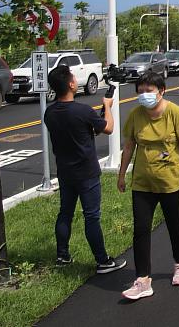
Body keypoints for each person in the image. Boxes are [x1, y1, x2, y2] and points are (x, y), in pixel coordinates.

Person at [117, 71, 179, 300]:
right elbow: (128, 147)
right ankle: (143, 280)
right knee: (141, 229)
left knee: (175, 225)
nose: (144, 95)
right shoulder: (135, 115)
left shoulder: (176, 113)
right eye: (140, 91)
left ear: (162, 91)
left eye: (149, 90)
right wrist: (122, 174)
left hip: (171, 181)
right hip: (143, 181)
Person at [44, 65, 127, 274]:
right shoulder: (82, 111)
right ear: (71, 84)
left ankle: (62, 255)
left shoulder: (50, 112)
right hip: (87, 173)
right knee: (91, 216)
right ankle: (102, 261)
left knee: (65, 213)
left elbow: (84, 131)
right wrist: (107, 106)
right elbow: (108, 128)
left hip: (65, 172)